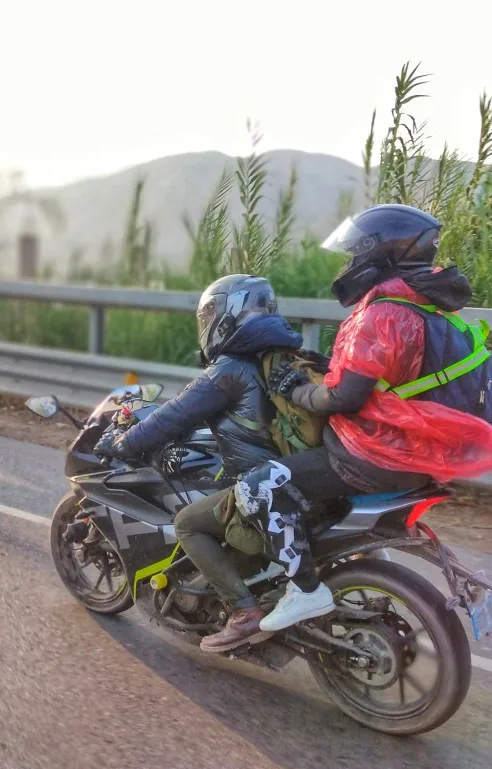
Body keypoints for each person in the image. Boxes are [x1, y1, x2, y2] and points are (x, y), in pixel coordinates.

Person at [97, 204, 492, 653]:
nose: (349, 264)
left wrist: (125, 443)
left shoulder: (381, 314)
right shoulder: (431, 312)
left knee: (204, 513)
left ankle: (267, 604)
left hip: (374, 454)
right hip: (420, 454)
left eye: (355, 253)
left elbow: (175, 415)